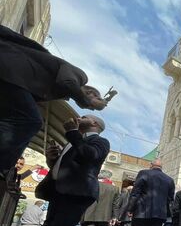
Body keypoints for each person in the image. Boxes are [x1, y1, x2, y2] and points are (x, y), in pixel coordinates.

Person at [6, 115, 110, 226]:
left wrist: (72, 132)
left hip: (77, 191)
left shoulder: (99, 141)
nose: (78, 117)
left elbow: (89, 156)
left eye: (84, 116)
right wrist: (52, 159)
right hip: (60, 190)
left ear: (95, 123)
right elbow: (65, 167)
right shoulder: (73, 140)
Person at [0, 24, 113, 172]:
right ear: (90, 91)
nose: (86, 108)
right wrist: (87, 101)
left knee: (19, 118)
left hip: (9, 76)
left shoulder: (53, 91)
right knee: (31, 120)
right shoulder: (80, 77)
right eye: (90, 106)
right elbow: (67, 82)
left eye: (90, 109)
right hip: (9, 68)